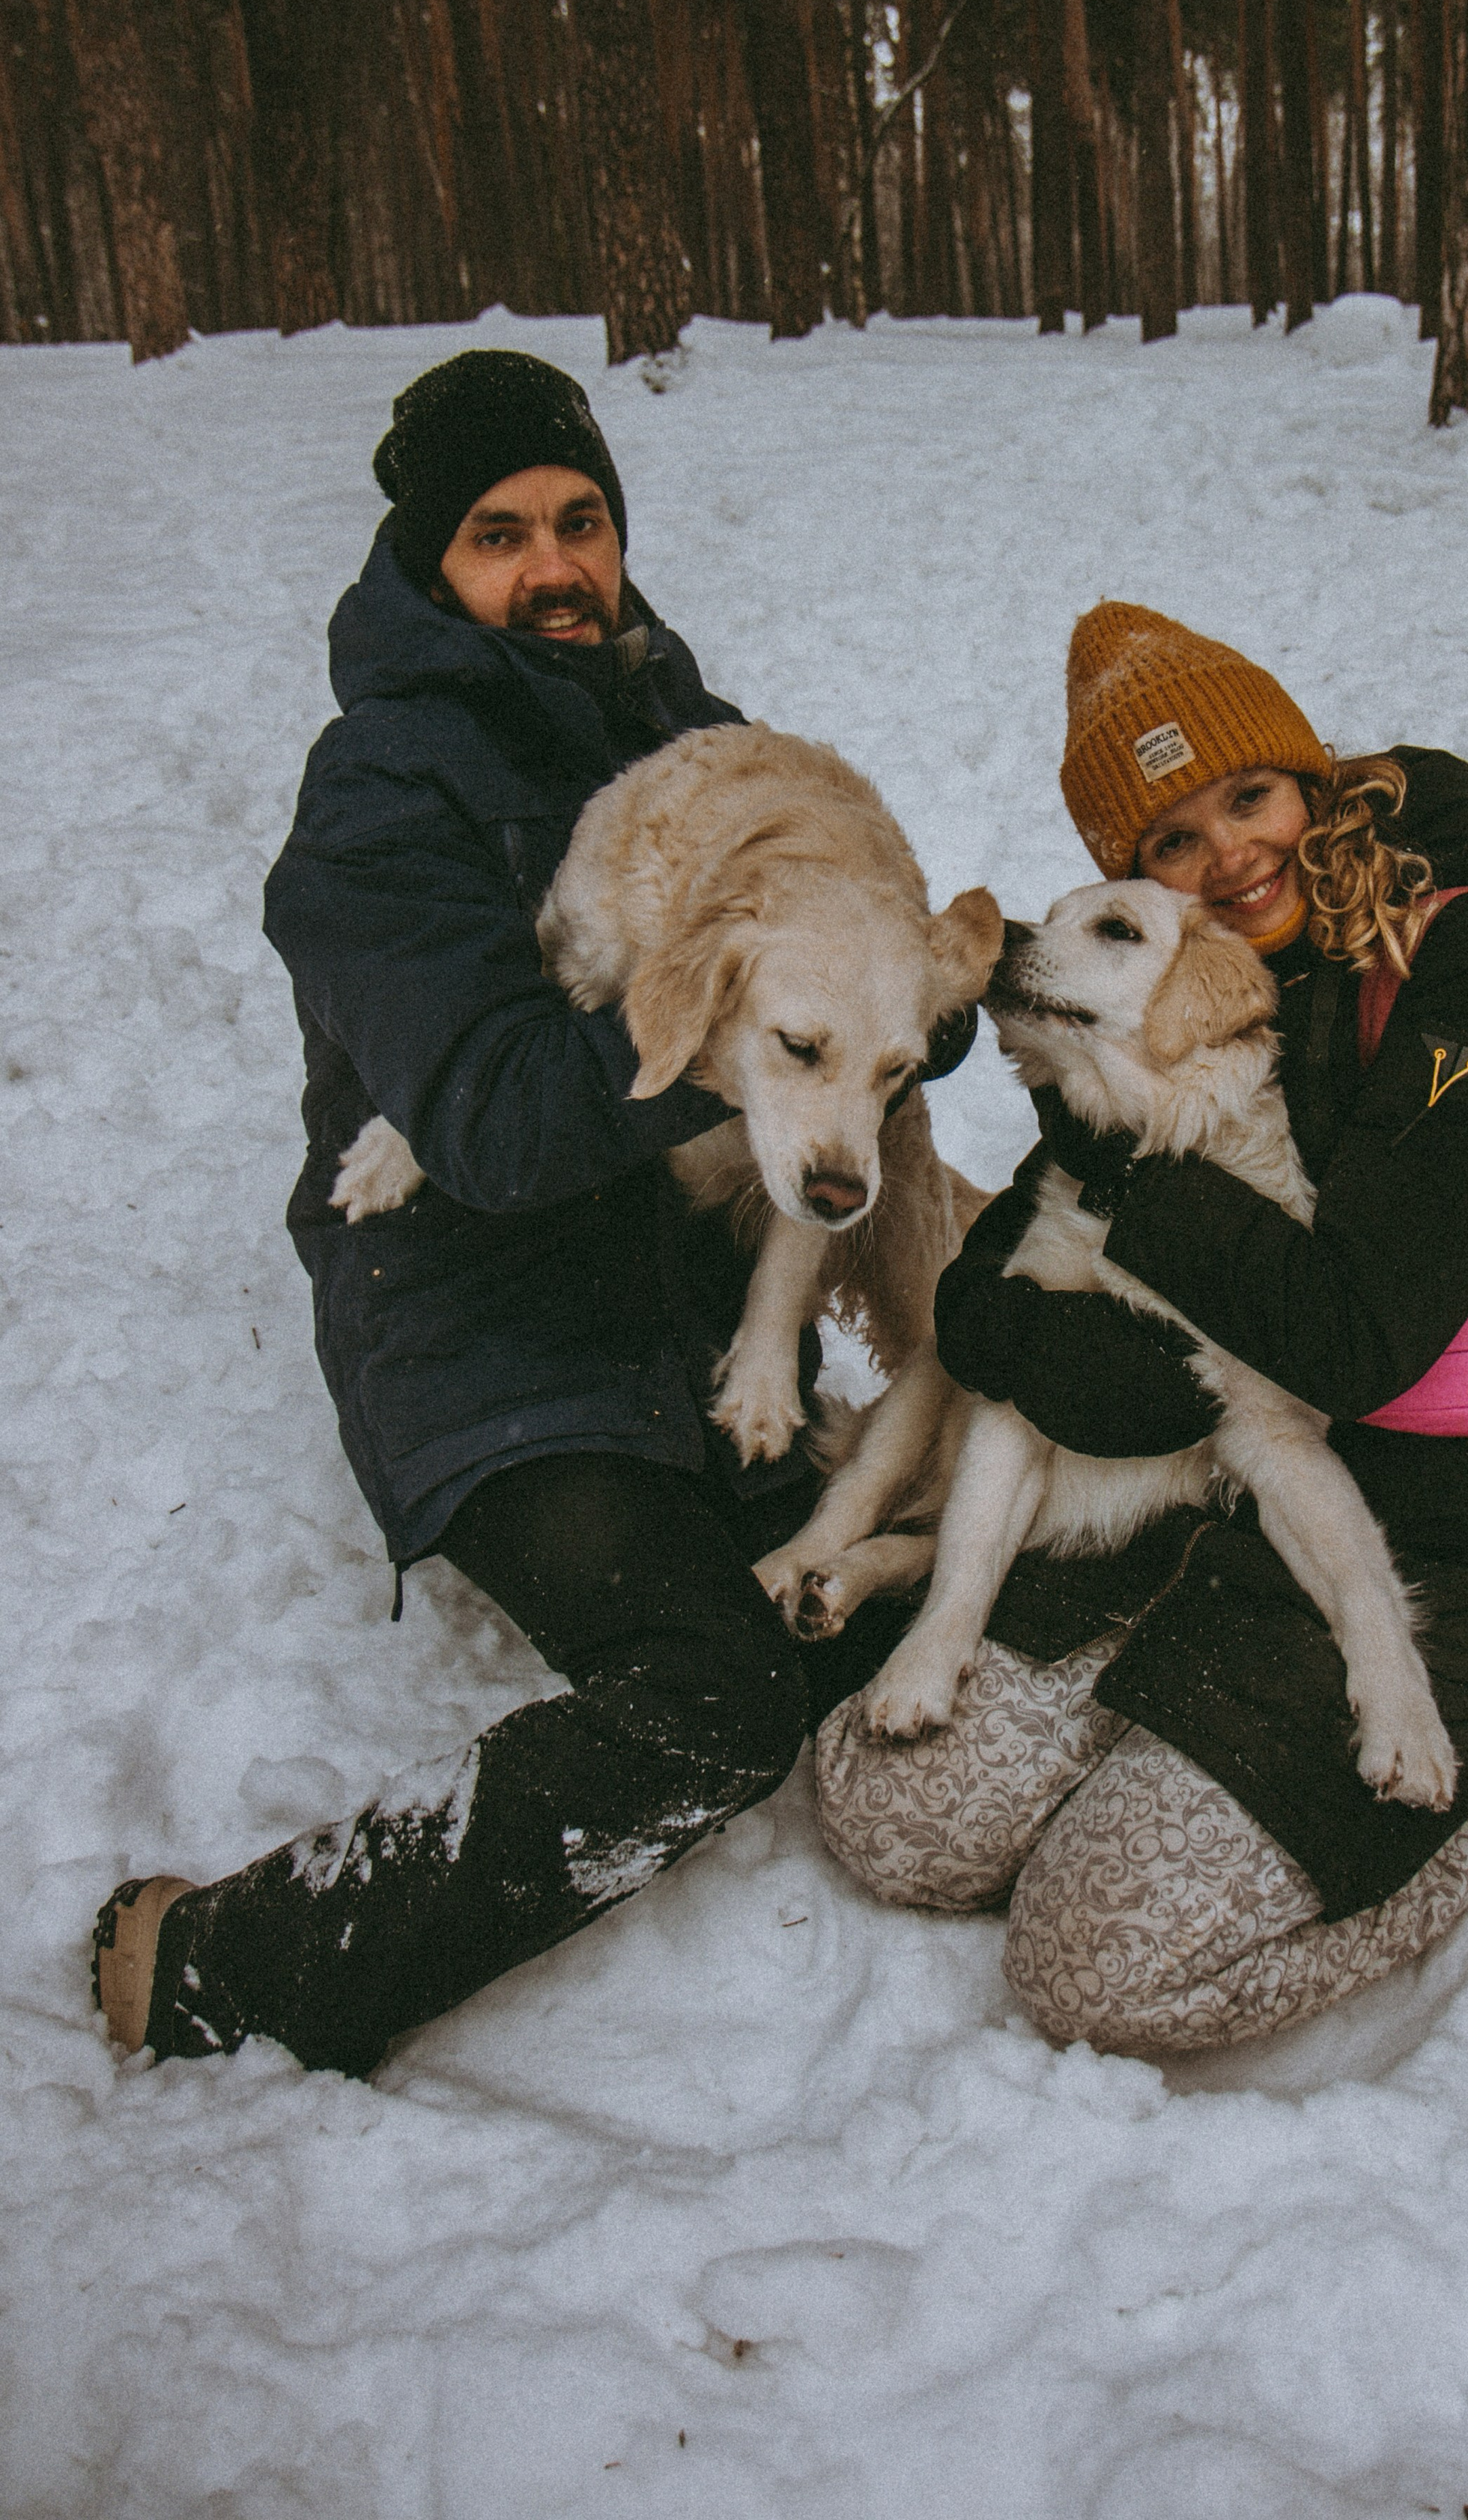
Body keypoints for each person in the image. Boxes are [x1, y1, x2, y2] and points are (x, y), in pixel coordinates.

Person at [92, 349, 968, 2078]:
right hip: (483, 1333)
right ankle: (218, 1966)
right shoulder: (375, 801)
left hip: (697, 1304)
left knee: (874, 1597)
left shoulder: (689, 740)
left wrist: (893, 1015)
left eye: (583, 523)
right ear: (430, 566)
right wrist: (734, 1035)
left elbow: (840, 994)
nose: (556, 565)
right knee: (709, 1707)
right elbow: (485, 1121)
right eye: (499, 536)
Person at [813, 600, 1468, 2053]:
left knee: (1089, 1973)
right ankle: (1164, 1744)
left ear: (1310, 783)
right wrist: (1109, 1365)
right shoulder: (1154, 990)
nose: (1230, 854)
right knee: (893, 1822)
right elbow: (979, 1305)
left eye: (1247, 797)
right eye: (1171, 843)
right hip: (1214, 1506)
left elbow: (1354, 1331)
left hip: (1457, 1537)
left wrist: (1123, 1201)